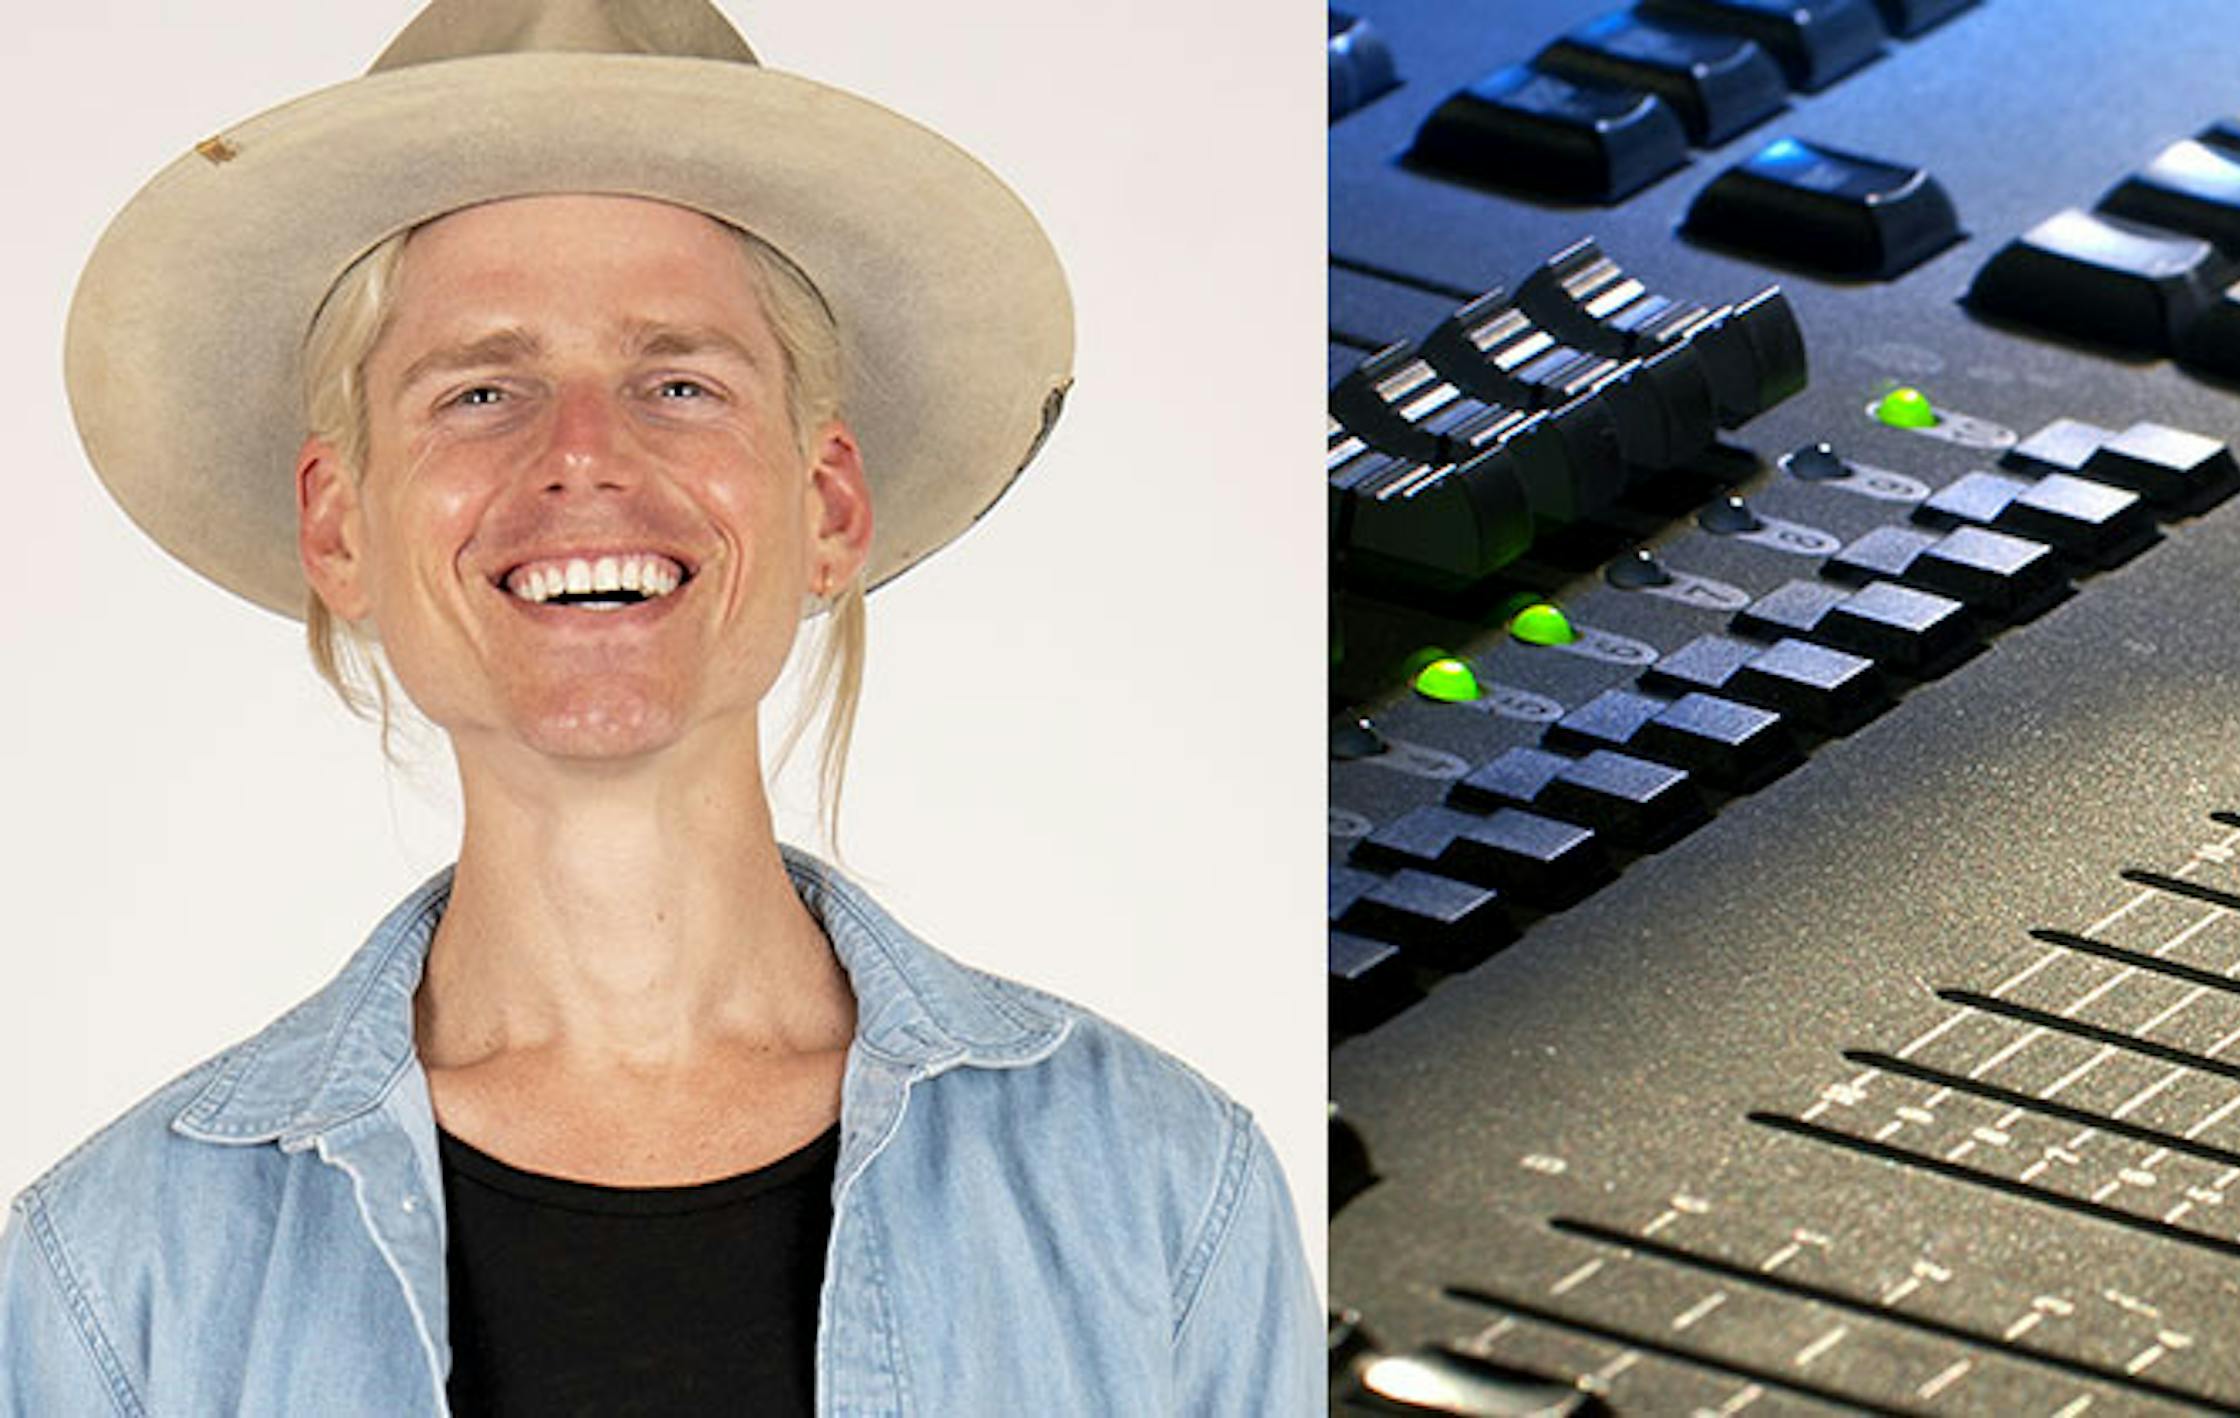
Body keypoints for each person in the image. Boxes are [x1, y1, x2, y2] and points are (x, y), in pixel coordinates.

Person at [0, 2, 1319, 1412]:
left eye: (677, 379)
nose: (583, 455)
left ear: (825, 503)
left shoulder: (1164, 1196)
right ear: (339, 527)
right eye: (482, 387)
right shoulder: (123, 1277)